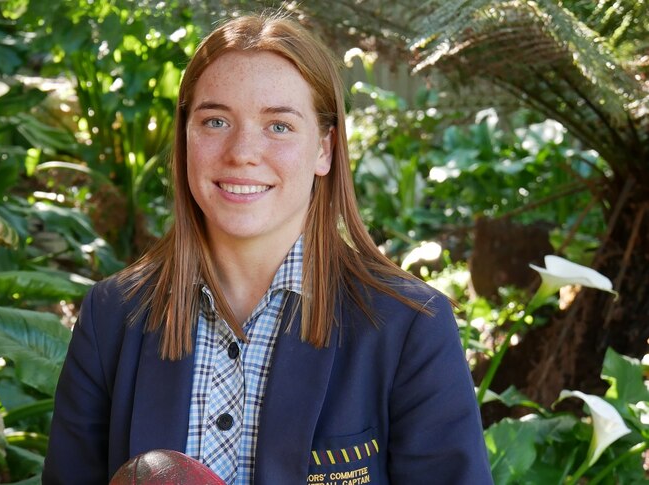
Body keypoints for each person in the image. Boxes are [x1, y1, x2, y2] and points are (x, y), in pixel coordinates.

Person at [44, 12, 493, 485]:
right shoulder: (113, 317)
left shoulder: (410, 328)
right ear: (185, 138)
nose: (241, 152)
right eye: (215, 121)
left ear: (324, 149)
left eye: (278, 126)